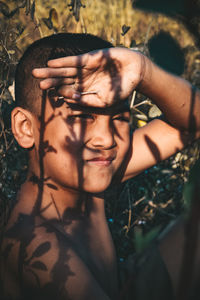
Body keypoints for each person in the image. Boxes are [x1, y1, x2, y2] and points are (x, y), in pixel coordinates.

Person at [0, 32, 200, 300]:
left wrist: (144, 71)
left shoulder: (92, 170)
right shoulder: (34, 244)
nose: (106, 140)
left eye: (118, 118)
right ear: (26, 128)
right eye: (82, 118)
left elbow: (192, 124)